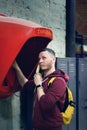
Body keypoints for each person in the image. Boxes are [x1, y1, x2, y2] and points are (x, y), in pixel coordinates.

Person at [12, 48, 69, 130]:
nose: (40, 61)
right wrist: (16, 68)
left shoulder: (59, 81)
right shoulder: (43, 79)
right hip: (38, 127)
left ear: (53, 59)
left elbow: (45, 104)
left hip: (51, 128)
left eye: (44, 58)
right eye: (39, 59)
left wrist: (39, 85)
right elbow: (25, 84)